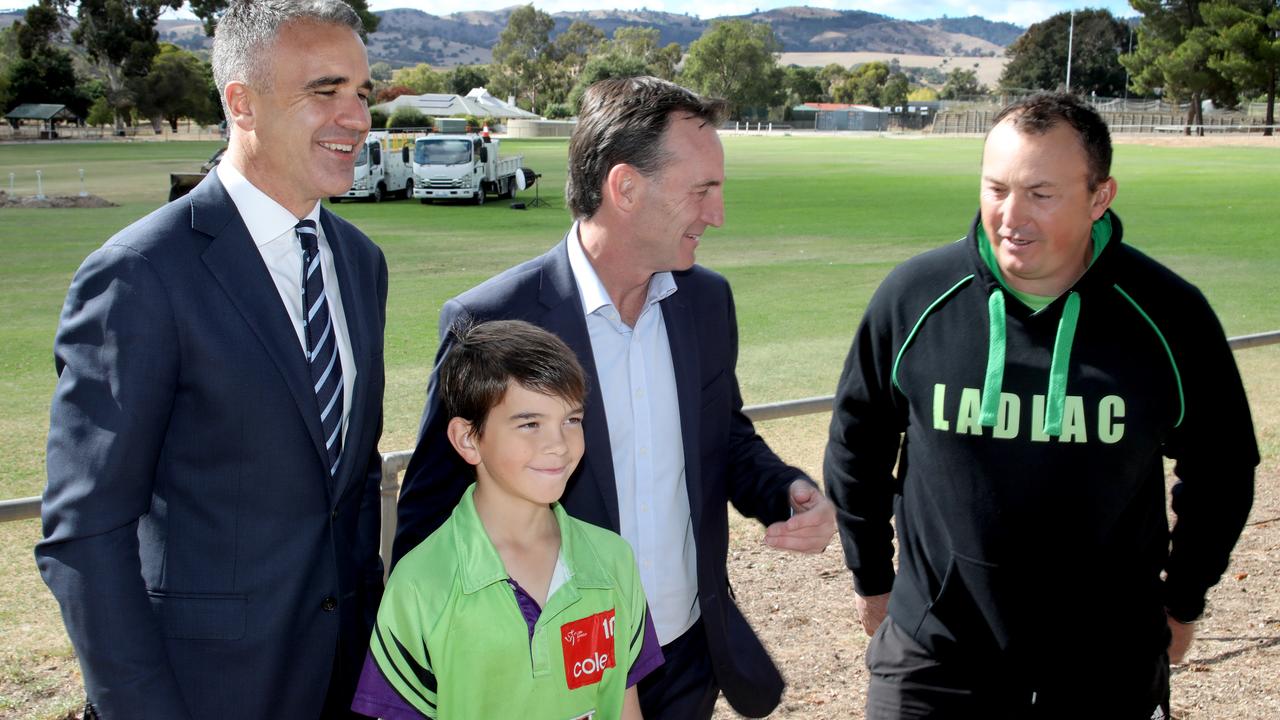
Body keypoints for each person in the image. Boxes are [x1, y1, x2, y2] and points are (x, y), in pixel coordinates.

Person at [393, 76, 837, 719]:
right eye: (701, 190)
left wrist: (784, 493)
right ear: (625, 188)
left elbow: (723, 437)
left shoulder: (707, 304)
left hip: (686, 657)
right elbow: (431, 513)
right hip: (554, 679)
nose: (717, 214)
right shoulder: (490, 320)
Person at [824, 92, 1258, 719]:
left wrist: (1183, 597)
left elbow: (1222, 469)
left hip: (1105, 662)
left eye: (1041, 194)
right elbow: (856, 446)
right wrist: (873, 577)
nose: (1010, 216)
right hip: (934, 657)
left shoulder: (1169, 314)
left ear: (1099, 197)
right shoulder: (913, 298)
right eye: (996, 188)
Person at [35, 2, 386, 718]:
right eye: (326, 91)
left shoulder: (360, 262)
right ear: (241, 103)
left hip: (339, 682)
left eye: (362, 93)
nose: (356, 119)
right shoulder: (140, 274)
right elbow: (86, 534)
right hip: (201, 693)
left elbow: (345, 493)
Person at [351, 320, 662, 718]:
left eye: (571, 420)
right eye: (531, 424)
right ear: (468, 439)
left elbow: (623, 705)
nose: (558, 445)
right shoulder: (419, 586)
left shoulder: (613, 560)